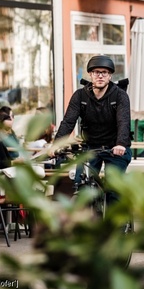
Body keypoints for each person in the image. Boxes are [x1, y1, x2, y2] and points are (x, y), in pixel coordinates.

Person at [52, 55, 132, 205]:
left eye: (104, 72)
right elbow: (68, 122)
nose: (100, 75)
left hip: (115, 148)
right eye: (96, 72)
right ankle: (87, 221)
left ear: (110, 76)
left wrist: (121, 143)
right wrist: (56, 144)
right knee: (81, 185)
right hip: (91, 147)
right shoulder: (80, 96)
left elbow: (123, 122)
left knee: (113, 189)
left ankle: (117, 226)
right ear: (90, 74)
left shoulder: (120, 96)